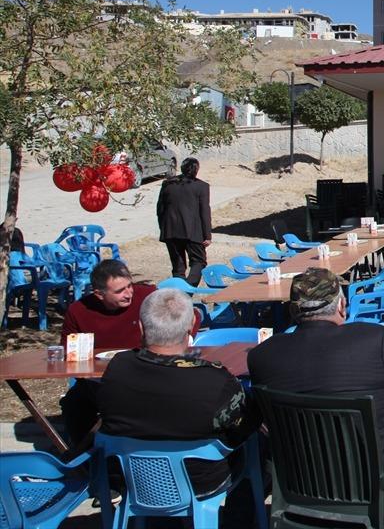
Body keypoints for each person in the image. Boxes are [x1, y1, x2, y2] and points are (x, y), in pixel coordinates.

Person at [248, 268, 384, 529]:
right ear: (341, 305)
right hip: (380, 490)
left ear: (293, 310)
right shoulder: (372, 340)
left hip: (301, 489)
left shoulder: (263, 356)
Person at [98, 288, 260, 500]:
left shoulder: (117, 368)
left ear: (140, 327)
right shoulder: (214, 380)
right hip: (199, 482)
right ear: (192, 327)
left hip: (133, 480)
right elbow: (246, 424)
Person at [59, 261, 195, 443]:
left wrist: (178, 344)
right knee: (74, 403)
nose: (128, 293)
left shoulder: (146, 296)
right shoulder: (79, 310)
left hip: (149, 371)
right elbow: (69, 347)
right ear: (99, 294)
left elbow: (191, 317)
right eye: (120, 291)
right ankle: (83, 456)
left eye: (129, 286)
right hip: (101, 378)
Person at [156, 157, 212, 285]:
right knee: (199, 261)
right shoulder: (201, 186)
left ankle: (180, 292)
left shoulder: (168, 184)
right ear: (196, 170)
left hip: (170, 231)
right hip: (193, 232)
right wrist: (207, 235)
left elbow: (160, 209)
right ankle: (187, 291)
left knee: (178, 267)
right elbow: (204, 211)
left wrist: (163, 229)